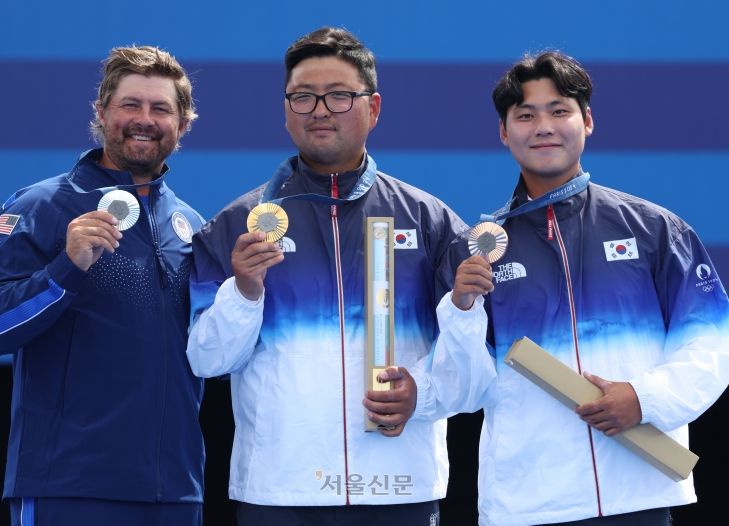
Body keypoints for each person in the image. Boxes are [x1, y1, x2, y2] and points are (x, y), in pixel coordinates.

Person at [430, 51, 729, 525]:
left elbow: (714, 342)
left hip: (640, 489)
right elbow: (461, 389)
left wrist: (644, 398)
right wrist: (463, 308)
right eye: (525, 115)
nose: (543, 126)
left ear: (587, 121)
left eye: (559, 110)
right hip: (528, 499)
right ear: (504, 133)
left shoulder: (654, 230)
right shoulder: (475, 250)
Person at [186, 27, 467, 526]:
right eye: (303, 97)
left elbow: (476, 360)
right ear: (286, 108)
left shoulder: (429, 221)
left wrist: (422, 390)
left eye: (339, 96)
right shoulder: (237, 224)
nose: (319, 109)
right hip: (280, 490)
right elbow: (206, 360)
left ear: (373, 108)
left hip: (398, 486)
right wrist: (245, 293)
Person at [0, 46, 206, 526]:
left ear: (183, 124)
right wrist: (66, 267)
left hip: (175, 492)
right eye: (130, 105)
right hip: (68, 486)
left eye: (161, 109)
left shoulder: (193, 225)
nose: (144, 119)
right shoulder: (41, 205)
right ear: (101, 113)